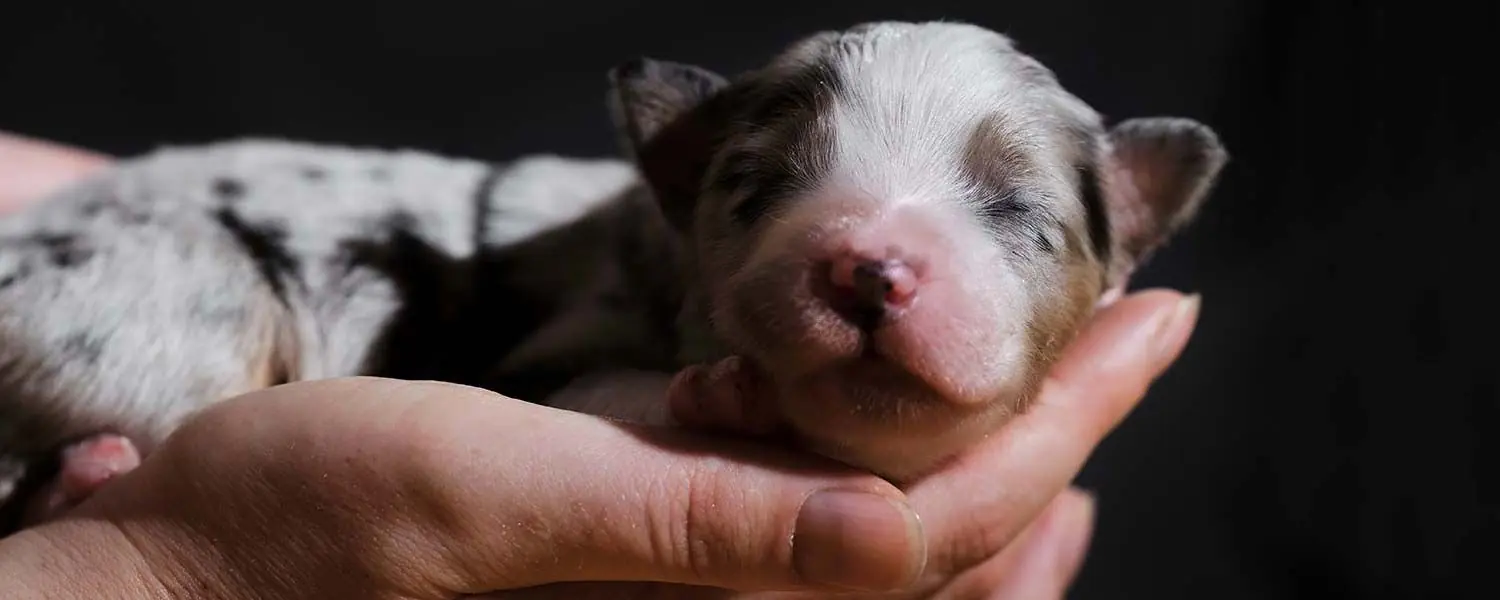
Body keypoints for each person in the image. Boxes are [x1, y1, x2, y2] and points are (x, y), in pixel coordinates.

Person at [0, 132, 1200, 599]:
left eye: (1013, 214)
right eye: (773, 183)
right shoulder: (615, 278)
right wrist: (138, 566)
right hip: (169, 265)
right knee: (149, 375)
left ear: (1118, 253)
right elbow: (552, 408)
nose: (876, 265)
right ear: (683, 199)